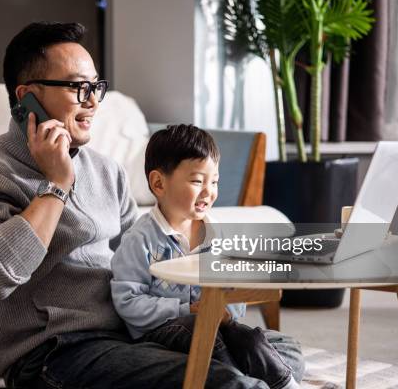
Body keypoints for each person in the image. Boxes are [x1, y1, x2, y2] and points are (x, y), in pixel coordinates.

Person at [0, 21, 305, 388]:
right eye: (77, 87)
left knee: (277, 352)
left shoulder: (106, 170)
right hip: (56, 352)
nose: (92, 101)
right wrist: (56, 185)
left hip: (133, 335)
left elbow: (143, 264)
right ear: (27, 98)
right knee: (225, 381)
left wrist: (201, 305)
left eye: (95, 87)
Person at [111, 124, 301, 389]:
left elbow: (234, 292)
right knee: (211, 337)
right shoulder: (140, 239)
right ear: (158, 183)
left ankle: (283, 384)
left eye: (214, 182)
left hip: (216, 327)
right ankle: (247, 381)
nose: (208, 192)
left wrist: (225, 310)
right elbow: (128, 301)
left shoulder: (220, 236)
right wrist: (186, 309)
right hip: (161, 333)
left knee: (257, 341)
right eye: (197, 181)